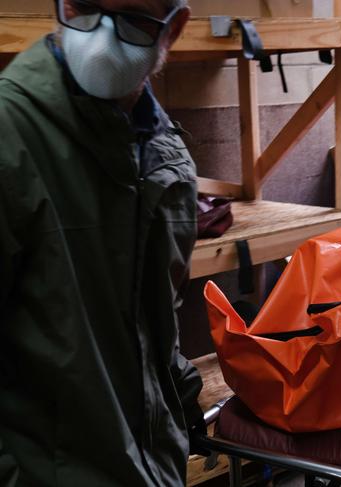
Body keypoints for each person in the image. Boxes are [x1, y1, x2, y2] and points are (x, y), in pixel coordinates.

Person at [0, 0, 207, 484]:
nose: (102, 37)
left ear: (173, 29)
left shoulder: (163, 150)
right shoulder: (11, 140)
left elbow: (152, 325)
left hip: (149, 467)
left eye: (133, 18)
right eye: (85, 8)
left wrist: (176, 401)